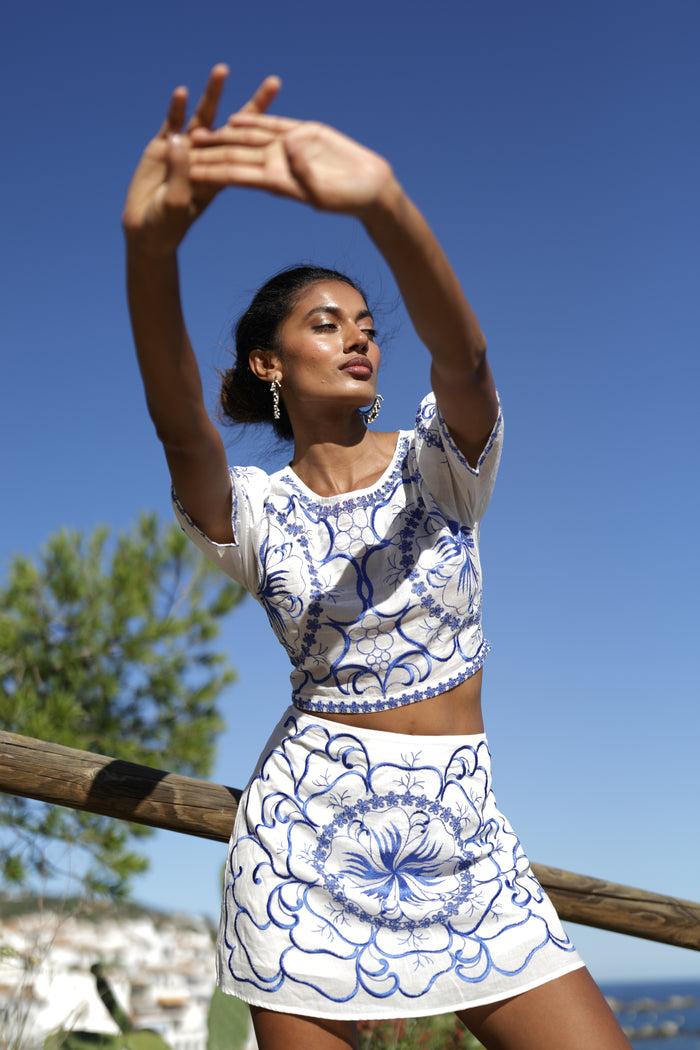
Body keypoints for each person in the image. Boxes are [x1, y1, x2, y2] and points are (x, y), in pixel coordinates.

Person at [122, 63, 632, 1050]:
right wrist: (150, 248)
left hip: (465, 841)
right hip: (301, 852)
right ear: (268, 364)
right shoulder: (255, 512)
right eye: (325, 325)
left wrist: (385, 201)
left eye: (366, 327)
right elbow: (181, 426)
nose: (358, 340)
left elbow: (468, 360)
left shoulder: (438, 466)